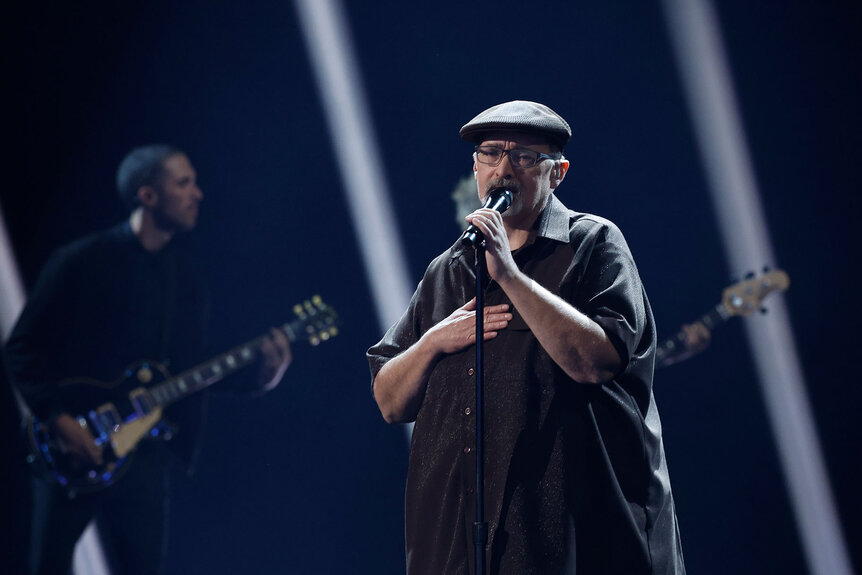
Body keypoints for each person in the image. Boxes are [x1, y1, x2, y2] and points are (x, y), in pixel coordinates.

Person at [368, 101, 685, 574]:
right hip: (458, 544)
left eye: (523, 157)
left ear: (557, 173)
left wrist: (511, 275)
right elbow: (391, 402)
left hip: (568, 539)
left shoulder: (593, 244)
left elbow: (594, 362)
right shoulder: (448, 270)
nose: (503, 170)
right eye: (490, 154)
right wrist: (434, 340)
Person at [4, 144, 292, 575]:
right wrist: (58, 419)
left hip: (144, 458)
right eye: (184, 182)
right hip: (71, 442)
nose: (198, 193)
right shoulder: (82, 260)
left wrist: (262, 376)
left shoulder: (188, 283)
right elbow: (21, 347)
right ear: (148, 195)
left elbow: (196, 370)